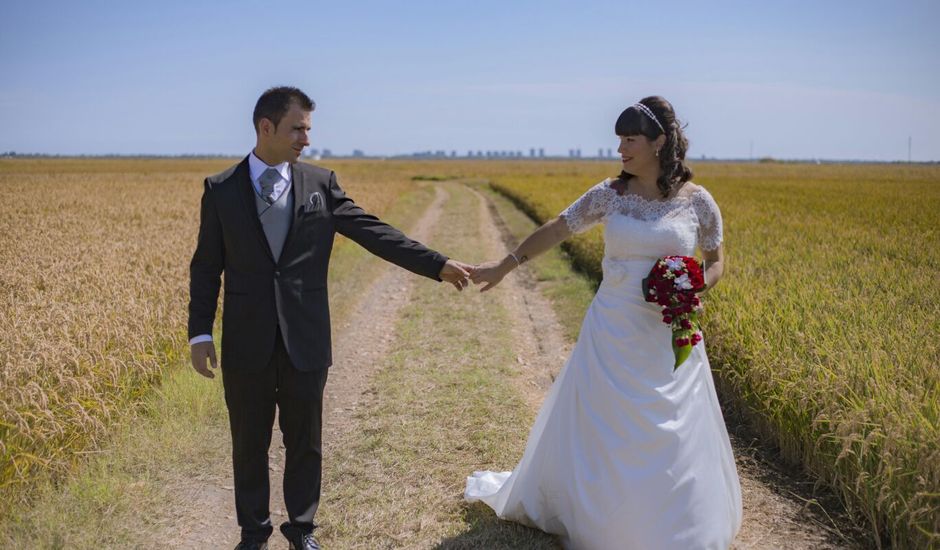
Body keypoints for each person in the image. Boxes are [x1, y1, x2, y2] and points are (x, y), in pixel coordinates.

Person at [188, 86, 473, 550]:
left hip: (306, 337)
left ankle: (301, 529)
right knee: (248, 442)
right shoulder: (220, 190)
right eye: (297, 128)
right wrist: (200, 332)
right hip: (246, 340)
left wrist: (435, 264)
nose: (306, 139)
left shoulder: (320, 184)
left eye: (308, 129)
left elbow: (374, 231)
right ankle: (253, 532)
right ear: (266, 128)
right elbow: (206, 266)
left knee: (305, 439)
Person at [464, 96, 743, 549]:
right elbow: (558, 227)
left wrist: (693, 286)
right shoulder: (608, 195)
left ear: (659, 142)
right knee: (609, 426)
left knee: (671, 427)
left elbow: (714, 262)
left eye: (630, 139)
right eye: (619, 140)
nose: (621, 149)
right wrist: (506, 263)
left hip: (669, 333)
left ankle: (677, 523)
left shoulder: (698, 202)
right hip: (612, 329)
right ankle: (606, 520)